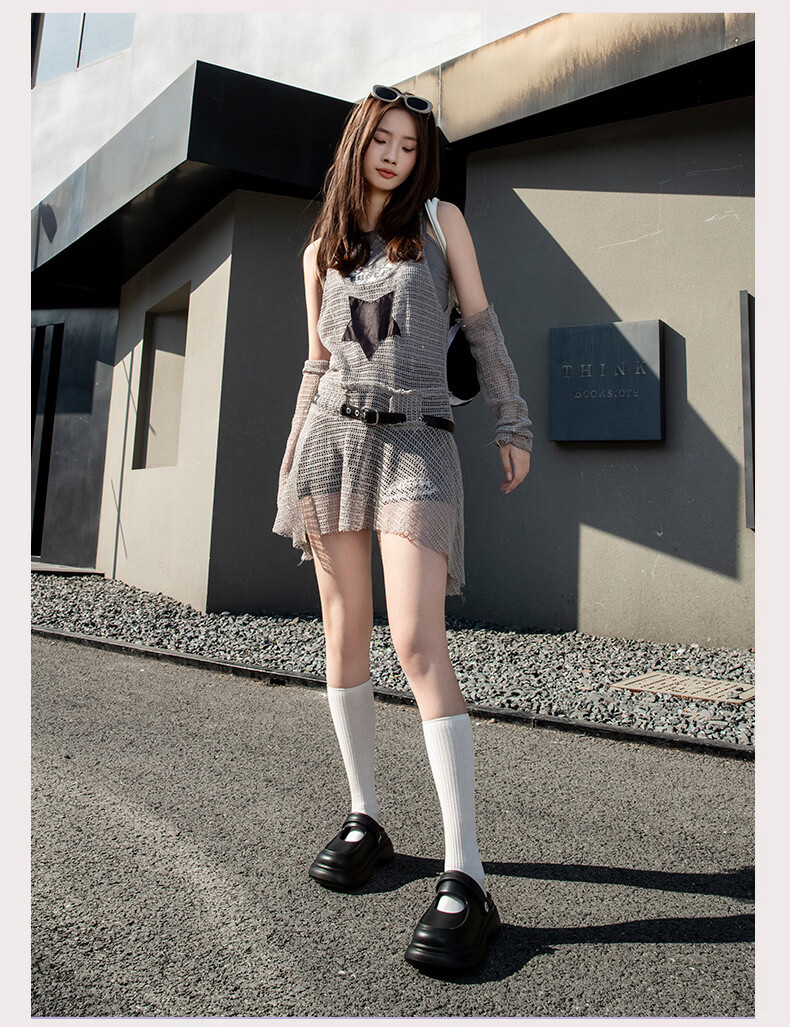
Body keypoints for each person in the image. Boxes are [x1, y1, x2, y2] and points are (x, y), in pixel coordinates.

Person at [273, 85, 533, 973]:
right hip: (333, 443)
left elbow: (483, 326)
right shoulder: (320, 251)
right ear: (359, 144)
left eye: (409, 143)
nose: (393, 154)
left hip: (419, 443)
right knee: (344, 631)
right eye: (381, 139)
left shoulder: (440, 221)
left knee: (418, 641)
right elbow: (317, 364)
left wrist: (512, 419)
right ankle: (365, 817)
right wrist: (291, 455)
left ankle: (466, 872)